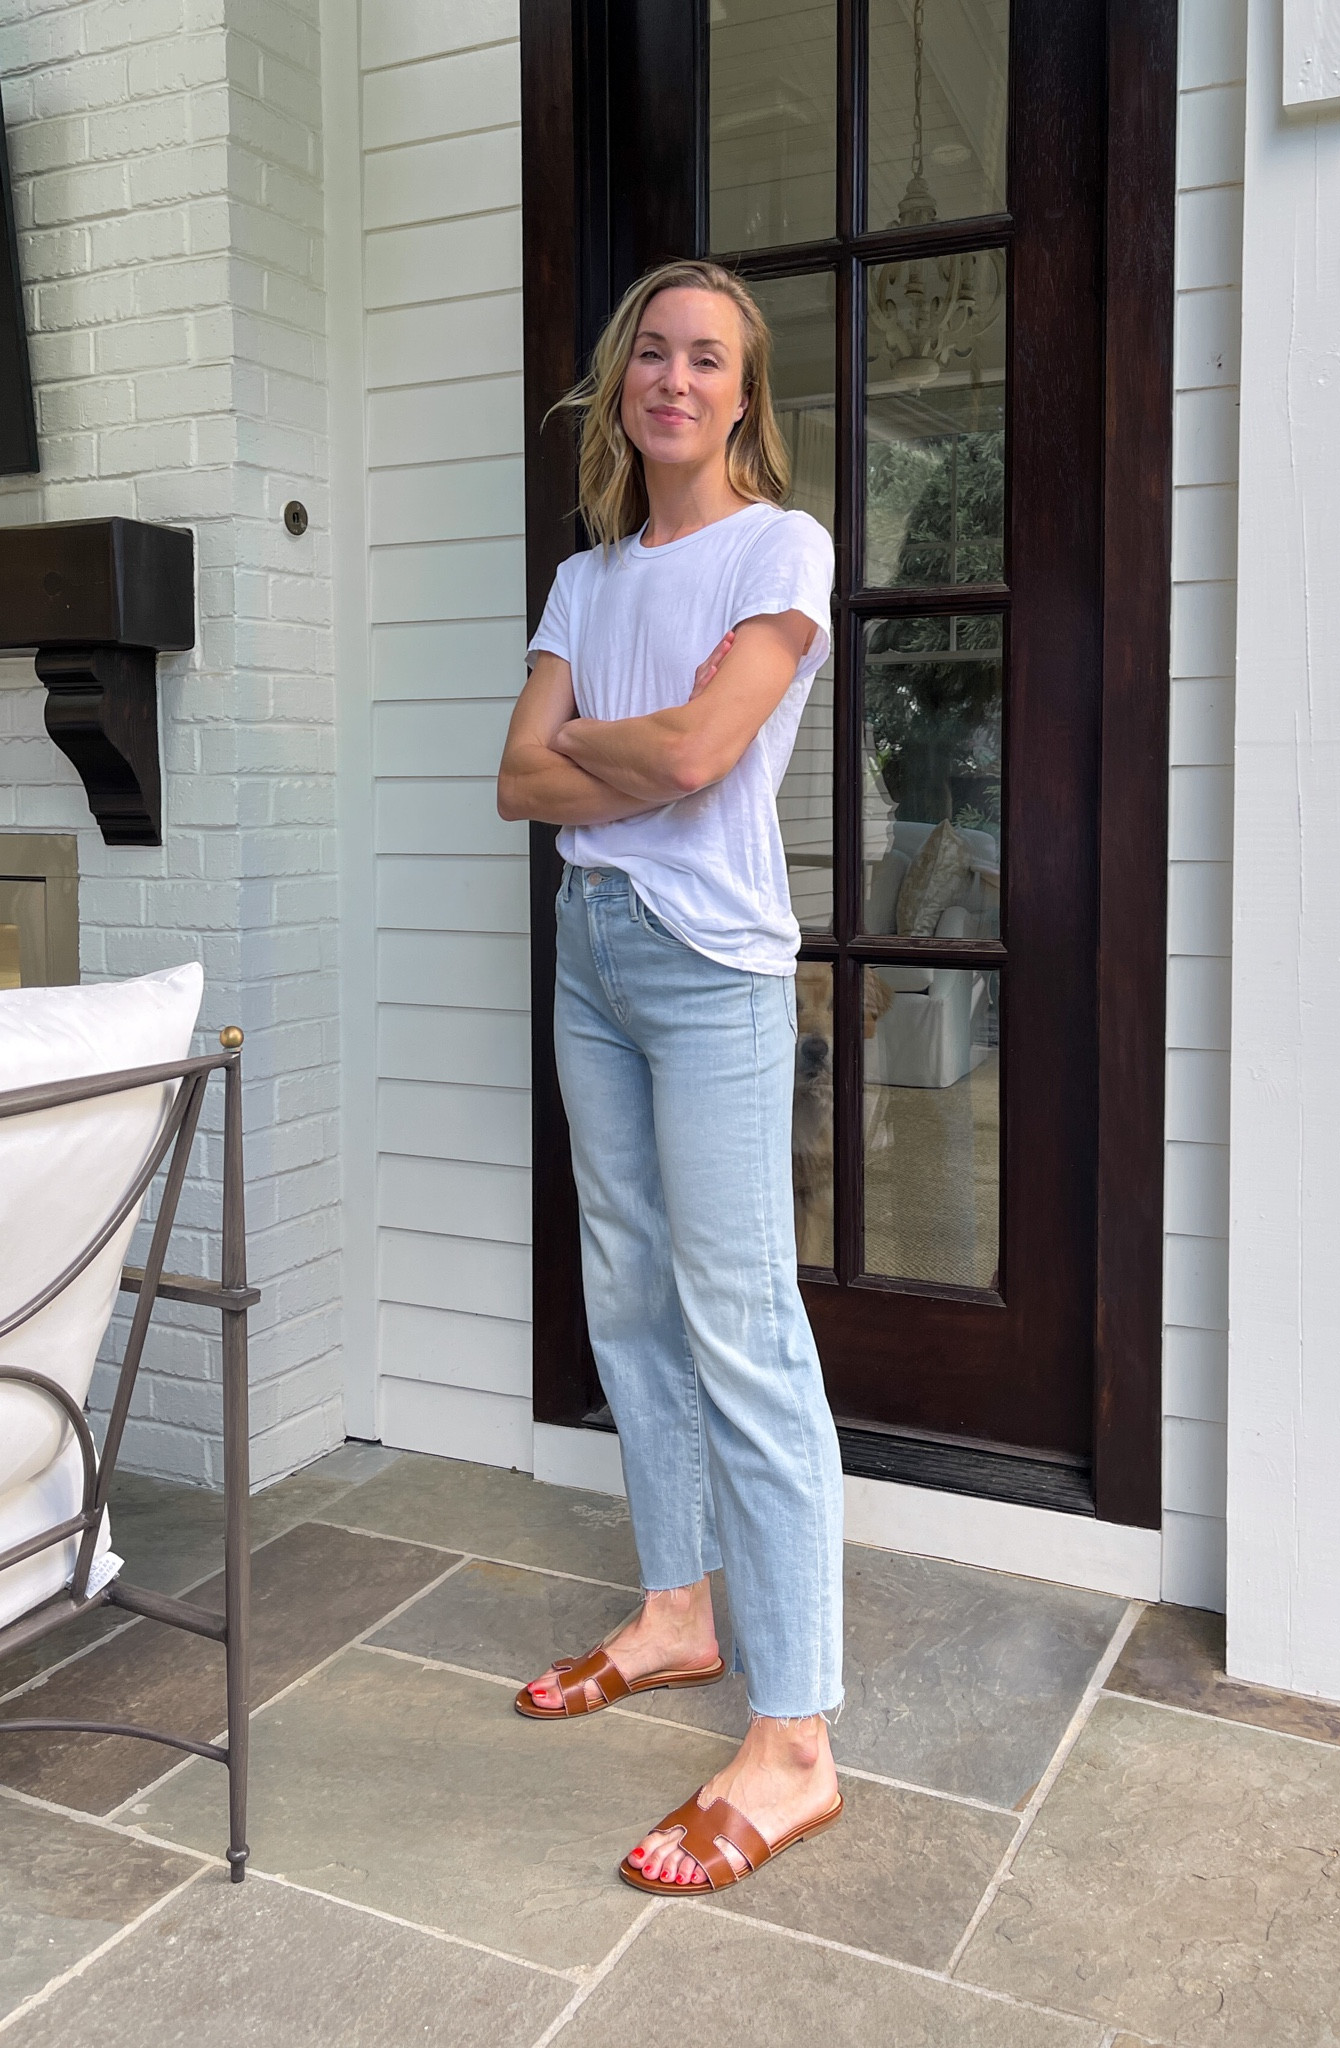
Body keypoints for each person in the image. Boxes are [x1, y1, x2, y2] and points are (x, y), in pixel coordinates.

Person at [496, 258, 844, 1896]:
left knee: (742, 1322)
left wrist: (602, 744)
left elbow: (706, 755)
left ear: (742, 393)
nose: (675, 379)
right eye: (652, 351)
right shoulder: (585, 580)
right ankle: (676, 1612)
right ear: (621, 381)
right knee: (626, 1289)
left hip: (710, 971)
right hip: (591, 950)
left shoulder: (780, 550)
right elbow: (518, 782)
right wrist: (625, 749)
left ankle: (795, 1742)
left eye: (707, 358)